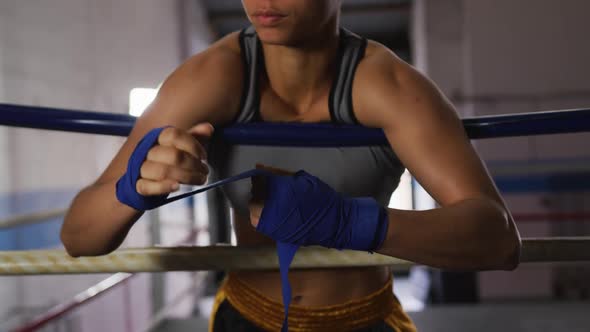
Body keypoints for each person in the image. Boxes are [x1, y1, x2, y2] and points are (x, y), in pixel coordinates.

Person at [60, 0, 521, 331]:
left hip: (363, 320)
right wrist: (132, 191)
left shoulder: (387, 85)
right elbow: (79, 236)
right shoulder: (212, 77)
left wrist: (348, 223)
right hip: (246, 316)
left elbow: (498, 240)